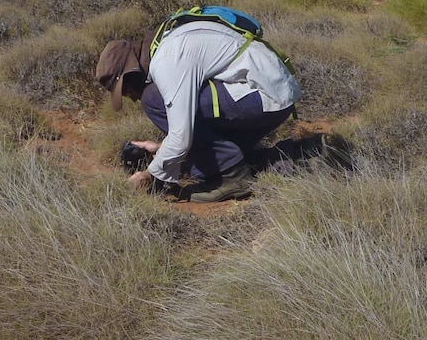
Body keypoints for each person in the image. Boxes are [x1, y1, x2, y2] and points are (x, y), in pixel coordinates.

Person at [95, 16, 301, 203]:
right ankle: (239, 157)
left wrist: (149, 174)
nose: (131, 98)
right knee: (199, 168)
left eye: (126, 90)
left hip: (264, 95)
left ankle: (232, 176)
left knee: (153, 99)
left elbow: (182, 134)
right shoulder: (165, 46)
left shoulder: (167, 62)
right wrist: (161, 148)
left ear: (131, 73)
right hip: (271, 92)